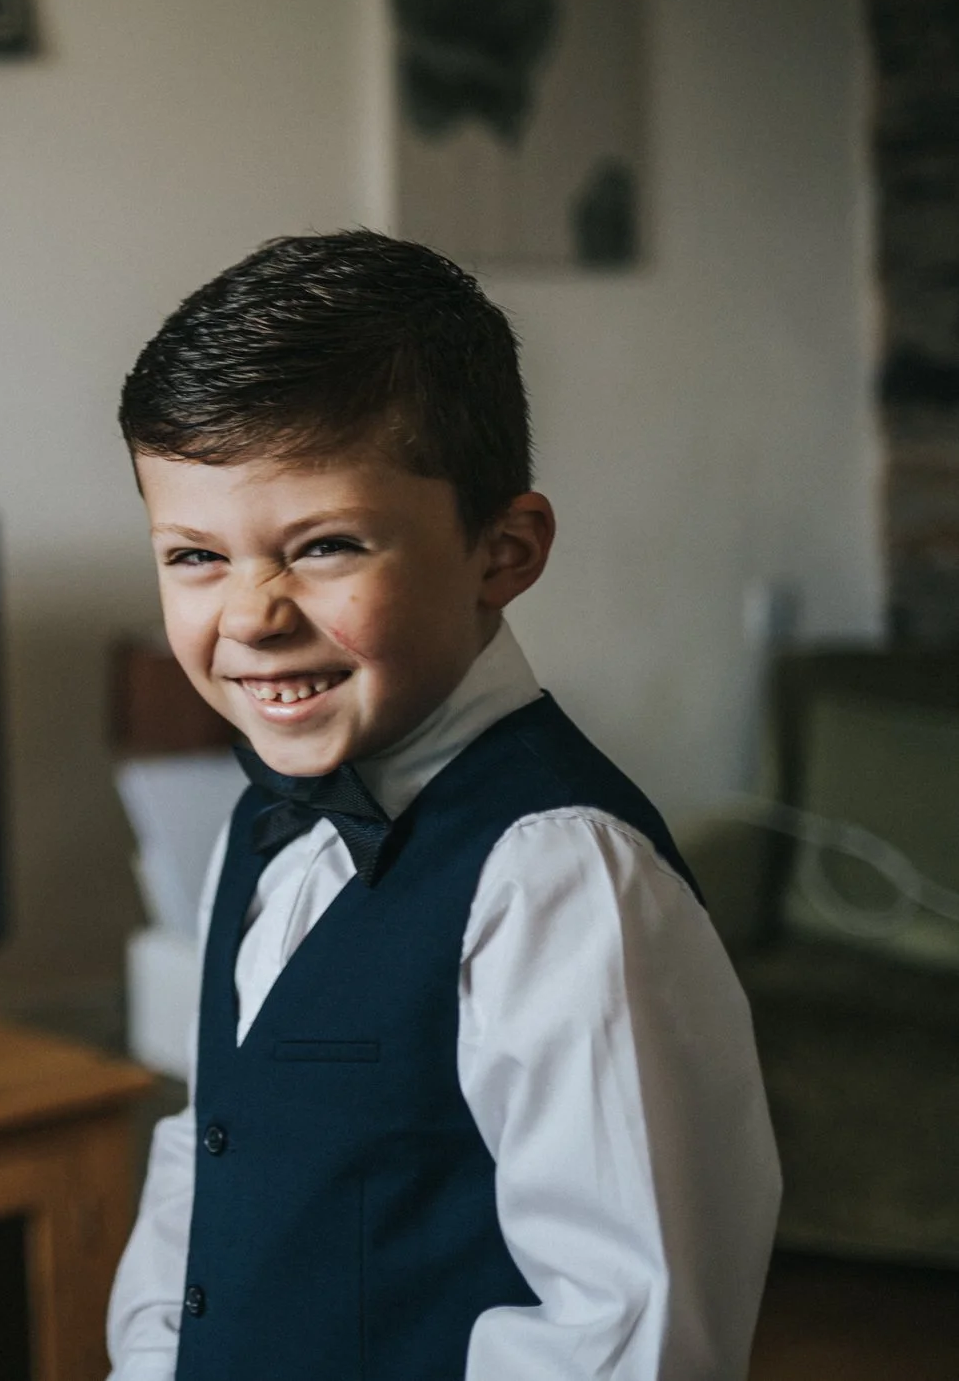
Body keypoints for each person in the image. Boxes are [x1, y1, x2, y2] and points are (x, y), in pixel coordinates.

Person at [105, 233, 778, 1380]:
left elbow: (623, 1335)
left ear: (501, 550)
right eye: (195, 555)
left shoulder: (560, 876)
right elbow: (205, 1158)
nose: (251, 614)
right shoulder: (258, 824)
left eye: (323, 546)